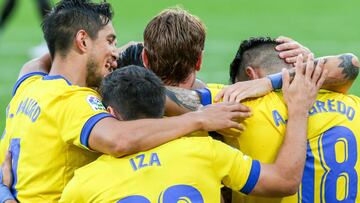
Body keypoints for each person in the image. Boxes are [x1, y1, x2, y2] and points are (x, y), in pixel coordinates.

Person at [0, 0, 249, 202]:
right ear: (83, 40)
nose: (115, 53)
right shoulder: (74, 102)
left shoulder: (29, 83)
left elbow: (41, 61)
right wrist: (199, 119)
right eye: (110, 41)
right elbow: (119, 139)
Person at [60, 56, 325, 202]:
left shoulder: (84, 182)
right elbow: (284, 181)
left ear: (111, 115)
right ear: (163, 105)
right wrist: (298, 109)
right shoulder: (207, 151)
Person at [221, 37, 360, 203]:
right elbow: (350, 63)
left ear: (251, 76)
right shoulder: (352, 105)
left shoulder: (242, 110)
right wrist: (309, 68)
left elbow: (184, 94)